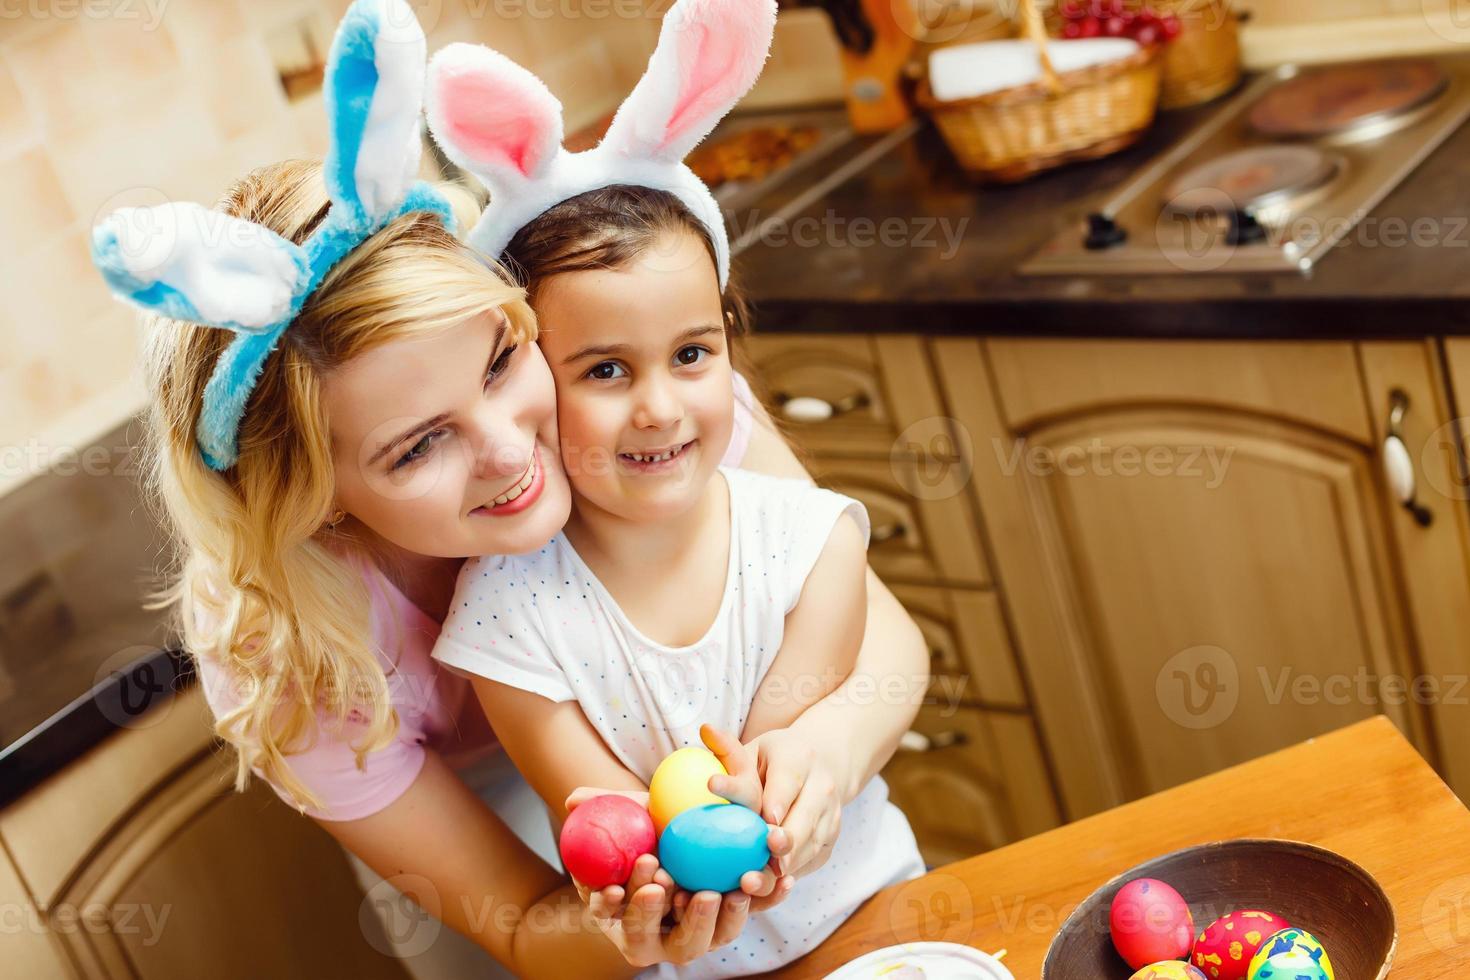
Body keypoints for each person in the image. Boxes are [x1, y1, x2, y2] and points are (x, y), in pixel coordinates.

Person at [90, 0, 929, 975]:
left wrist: (824, 748)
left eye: (497, 360)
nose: (511, 453)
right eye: (417, 447)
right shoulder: (291, 660)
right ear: (320, 500)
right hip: (485, 818)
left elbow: (877, 626)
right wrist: (632, 929)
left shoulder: (637, 411)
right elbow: (526, 923)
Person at [432, 181, 927, 978]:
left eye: (691, 354)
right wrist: (639, 888)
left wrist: (799, 783)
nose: (659, 407)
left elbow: (765, 782)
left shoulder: (813, 543)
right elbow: (622, 835)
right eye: (605, 370)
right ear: (528, 385)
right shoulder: (506, 620)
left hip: (877, 923)